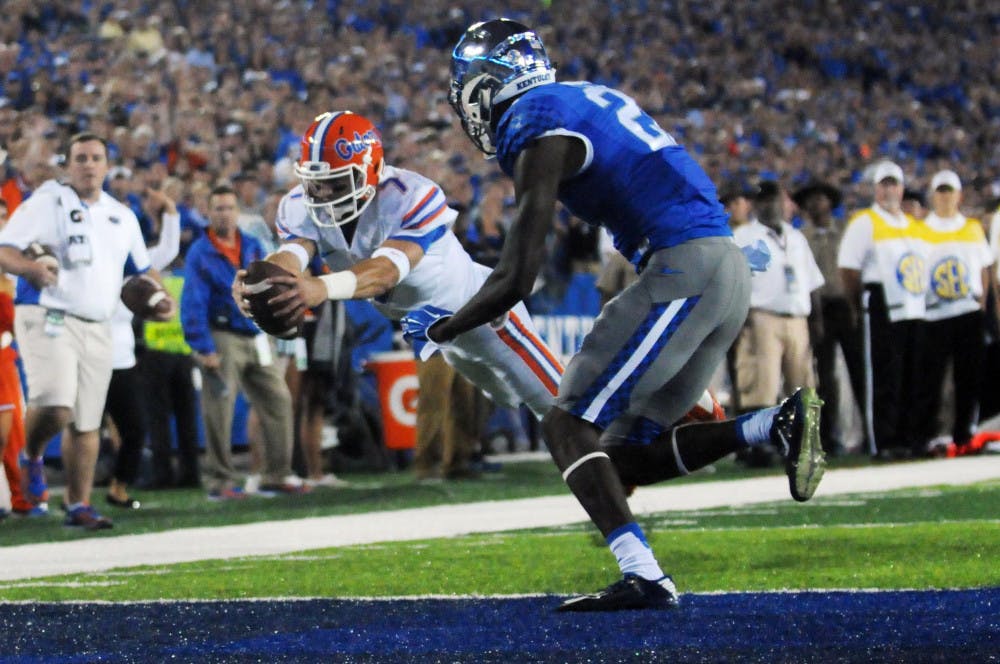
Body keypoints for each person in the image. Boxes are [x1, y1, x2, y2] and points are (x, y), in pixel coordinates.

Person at [401, 18, 825, 611]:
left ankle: (645, 576)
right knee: (622, 453)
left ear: (489, 86)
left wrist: (442, 328)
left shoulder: (533, 119)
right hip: (720, 266)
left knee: (565, 422)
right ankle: (770, 424)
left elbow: (517, 277)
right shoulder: (581, 98)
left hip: (682, 264)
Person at [231, 110, 561, 442]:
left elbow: (386, 272)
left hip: (482, 312)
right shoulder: (299, 204)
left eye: (335, 183)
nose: (323, 194)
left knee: (562, 409)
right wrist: (263, 284)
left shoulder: (411, 194)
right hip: (435, 330)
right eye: (315, 183)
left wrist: (319, 287)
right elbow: (292, 255)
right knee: (506, 396)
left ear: (370, 170)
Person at [0, 132, 158, 529]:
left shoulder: (122, 215)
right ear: (68, 165)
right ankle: (32, 454)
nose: (88, 164)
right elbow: (4, 249)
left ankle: (77, 505)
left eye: (96, 158)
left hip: (99, 323)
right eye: (81, 158)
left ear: (107, 165)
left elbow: (142, 271)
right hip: (48, 313)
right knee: (57, 402)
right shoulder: (46, 202)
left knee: (88, 422)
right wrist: (31, 269)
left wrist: (159, 298)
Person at [180, 184, 303, 500]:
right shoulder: (200, 252)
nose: (225, 213)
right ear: (208, 213)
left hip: (255, 333)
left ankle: (277, 474)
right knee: (219, 408)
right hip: (221, 335)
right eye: (218, 208)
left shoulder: (251, 245)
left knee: (278, 399)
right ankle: (220, 481)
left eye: (229, 207)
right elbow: (192, 301)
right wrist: (202, 346)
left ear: (238, 212)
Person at [838, 161, 927, 458]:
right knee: (884, 375)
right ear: (876, 189)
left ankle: (908, 436)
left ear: (902, 189)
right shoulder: (865, 222)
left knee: (911, 375)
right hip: (882, 301)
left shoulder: (912, 225)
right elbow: (849, 269)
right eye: (884, 184)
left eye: (894, 184)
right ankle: (884, 440)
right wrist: (856, 304)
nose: (889, 190)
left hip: (913, 306)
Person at [731, 181, 825, 465]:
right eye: (763, 201)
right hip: (761, 315)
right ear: (755, 205)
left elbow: (812, 282)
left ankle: (800, 442)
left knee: (802, 382)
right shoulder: (743, 236)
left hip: (797, 316)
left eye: (774, 200)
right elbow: (734, 281)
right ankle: (759, 445)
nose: (770, 206)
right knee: (761, 382)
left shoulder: (796, 237)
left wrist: (817, 318)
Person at [104, 186, 181, 509]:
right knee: (83, 428)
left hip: (122, 357)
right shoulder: (88, 266)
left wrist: (171, 211)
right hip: (84, 352)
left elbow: (167, 249)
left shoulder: (136, 266)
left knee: (134, 428)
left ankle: (118, 488)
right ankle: (74, 497)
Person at [917, 170, 993, 455]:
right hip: (934, 314)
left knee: (969, 378)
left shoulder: (972, 228)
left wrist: (982, 303)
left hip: (967, 312)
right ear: (933, 196)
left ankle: (964, 435)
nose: (946, 197)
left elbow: (985, 268)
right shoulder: (921, 230)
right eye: (941, 191)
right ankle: (927, 434)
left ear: (959, 195)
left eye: (949, 191)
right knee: (931, 380)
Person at [794, 179, 864, 456]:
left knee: (860, 370)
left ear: (830, 203)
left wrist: (856, 307)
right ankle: (829, 435)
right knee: (824, 376)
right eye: (810, 199)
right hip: (819, 307)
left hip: (846, 305)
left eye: (821, 198)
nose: (815, 203)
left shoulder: (846, 231)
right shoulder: (802, 237)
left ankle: (871, 431)